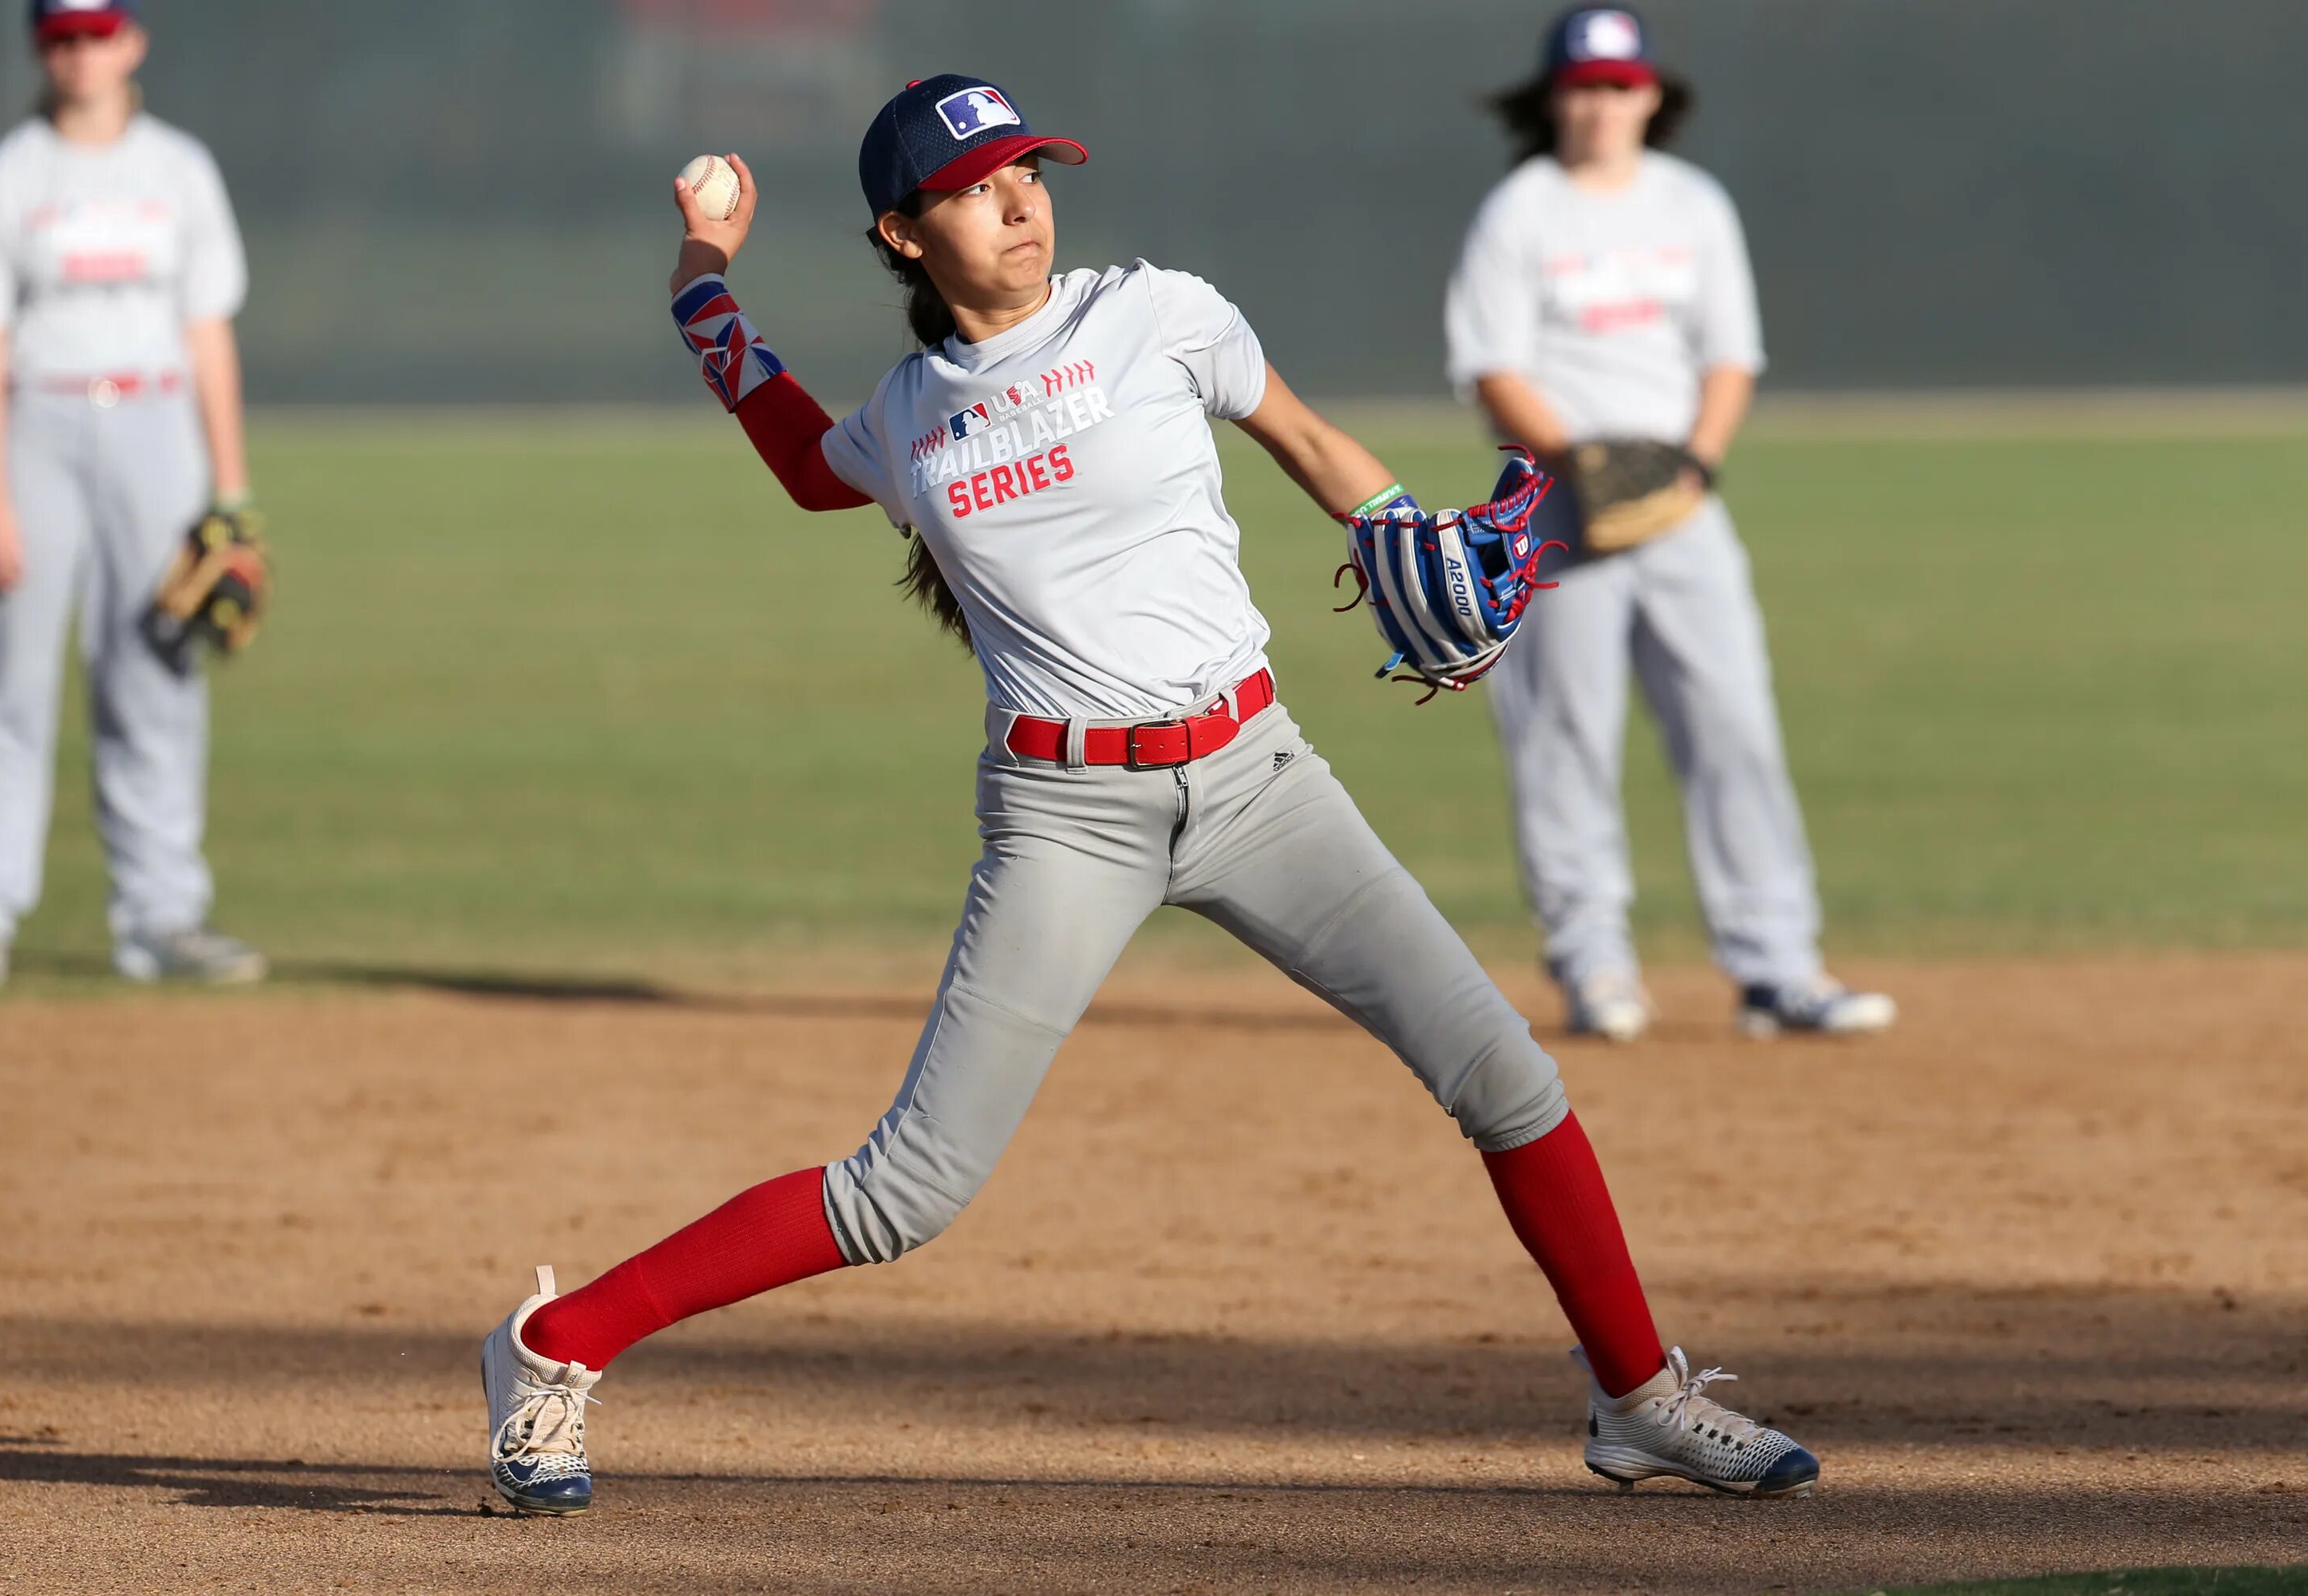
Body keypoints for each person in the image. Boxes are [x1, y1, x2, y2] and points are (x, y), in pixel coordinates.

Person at [479, 73, 1822, 1515]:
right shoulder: (909, 420)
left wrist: (1395, 527)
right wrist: (703, 277)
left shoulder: (1160, 313)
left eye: (1030, 171)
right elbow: (810, 465)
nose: (1019, 200)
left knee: (1508, 1080)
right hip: (1068, 817)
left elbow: (1311, 443)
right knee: (904, 1194)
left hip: (1259, 779)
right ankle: (553, 1347)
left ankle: (1640, 1403)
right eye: (979, 184)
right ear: (901, 232)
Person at [1444, 7, 1896, 1045]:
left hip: (1685, 507)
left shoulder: (1692, 205)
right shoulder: (1523, 213)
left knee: (1734, 724)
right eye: (1584, 86)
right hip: (1555, 507)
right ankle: (1595, 970)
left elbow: (1730, 355)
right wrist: (1588, 469)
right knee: (1563, 739)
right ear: (1555, 96)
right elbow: (1493, 369)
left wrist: (1689, 466)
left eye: (1620, 85)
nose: (1601, 105)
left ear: (1652, 95)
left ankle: (1776, 966)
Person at [0, 0, 265, 991]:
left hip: (156, 422)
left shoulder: (179, 171)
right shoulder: (7, 177)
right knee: (3, 676)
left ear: (133, 41)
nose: (82, 53)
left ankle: (161, 912)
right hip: (39, 422)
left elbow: (208, 330)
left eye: (98, 32)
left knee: (156, 668)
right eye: (64, 37)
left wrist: (232, 489)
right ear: (45, 49)